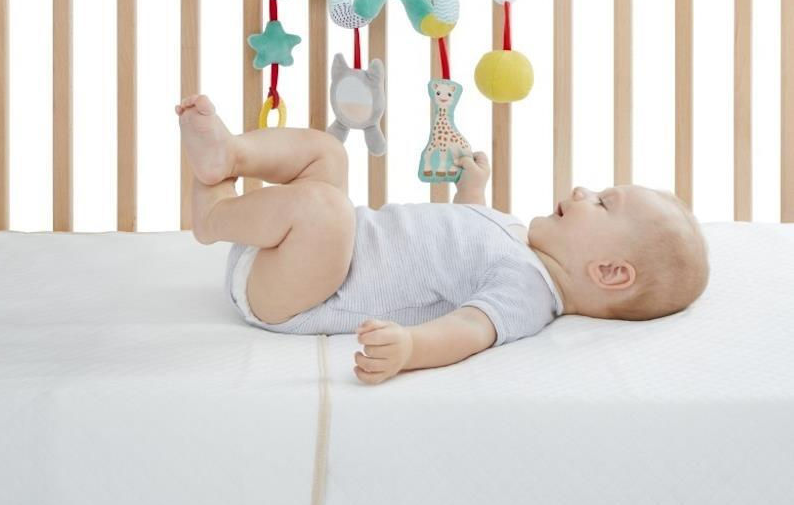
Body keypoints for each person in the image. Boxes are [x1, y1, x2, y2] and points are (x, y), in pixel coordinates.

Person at [176, 94, 709, 385]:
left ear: (609, 272)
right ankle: (229, 157)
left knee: (327, 209)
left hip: (297, 293)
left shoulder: (529, 293)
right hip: (301, 245)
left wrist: (410, 348)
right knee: (327, 154)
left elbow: (468, 329)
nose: (582, 190)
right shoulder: (518, 241)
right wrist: (472, 191)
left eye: (603, 203)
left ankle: (215, 218)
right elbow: (462, 239)